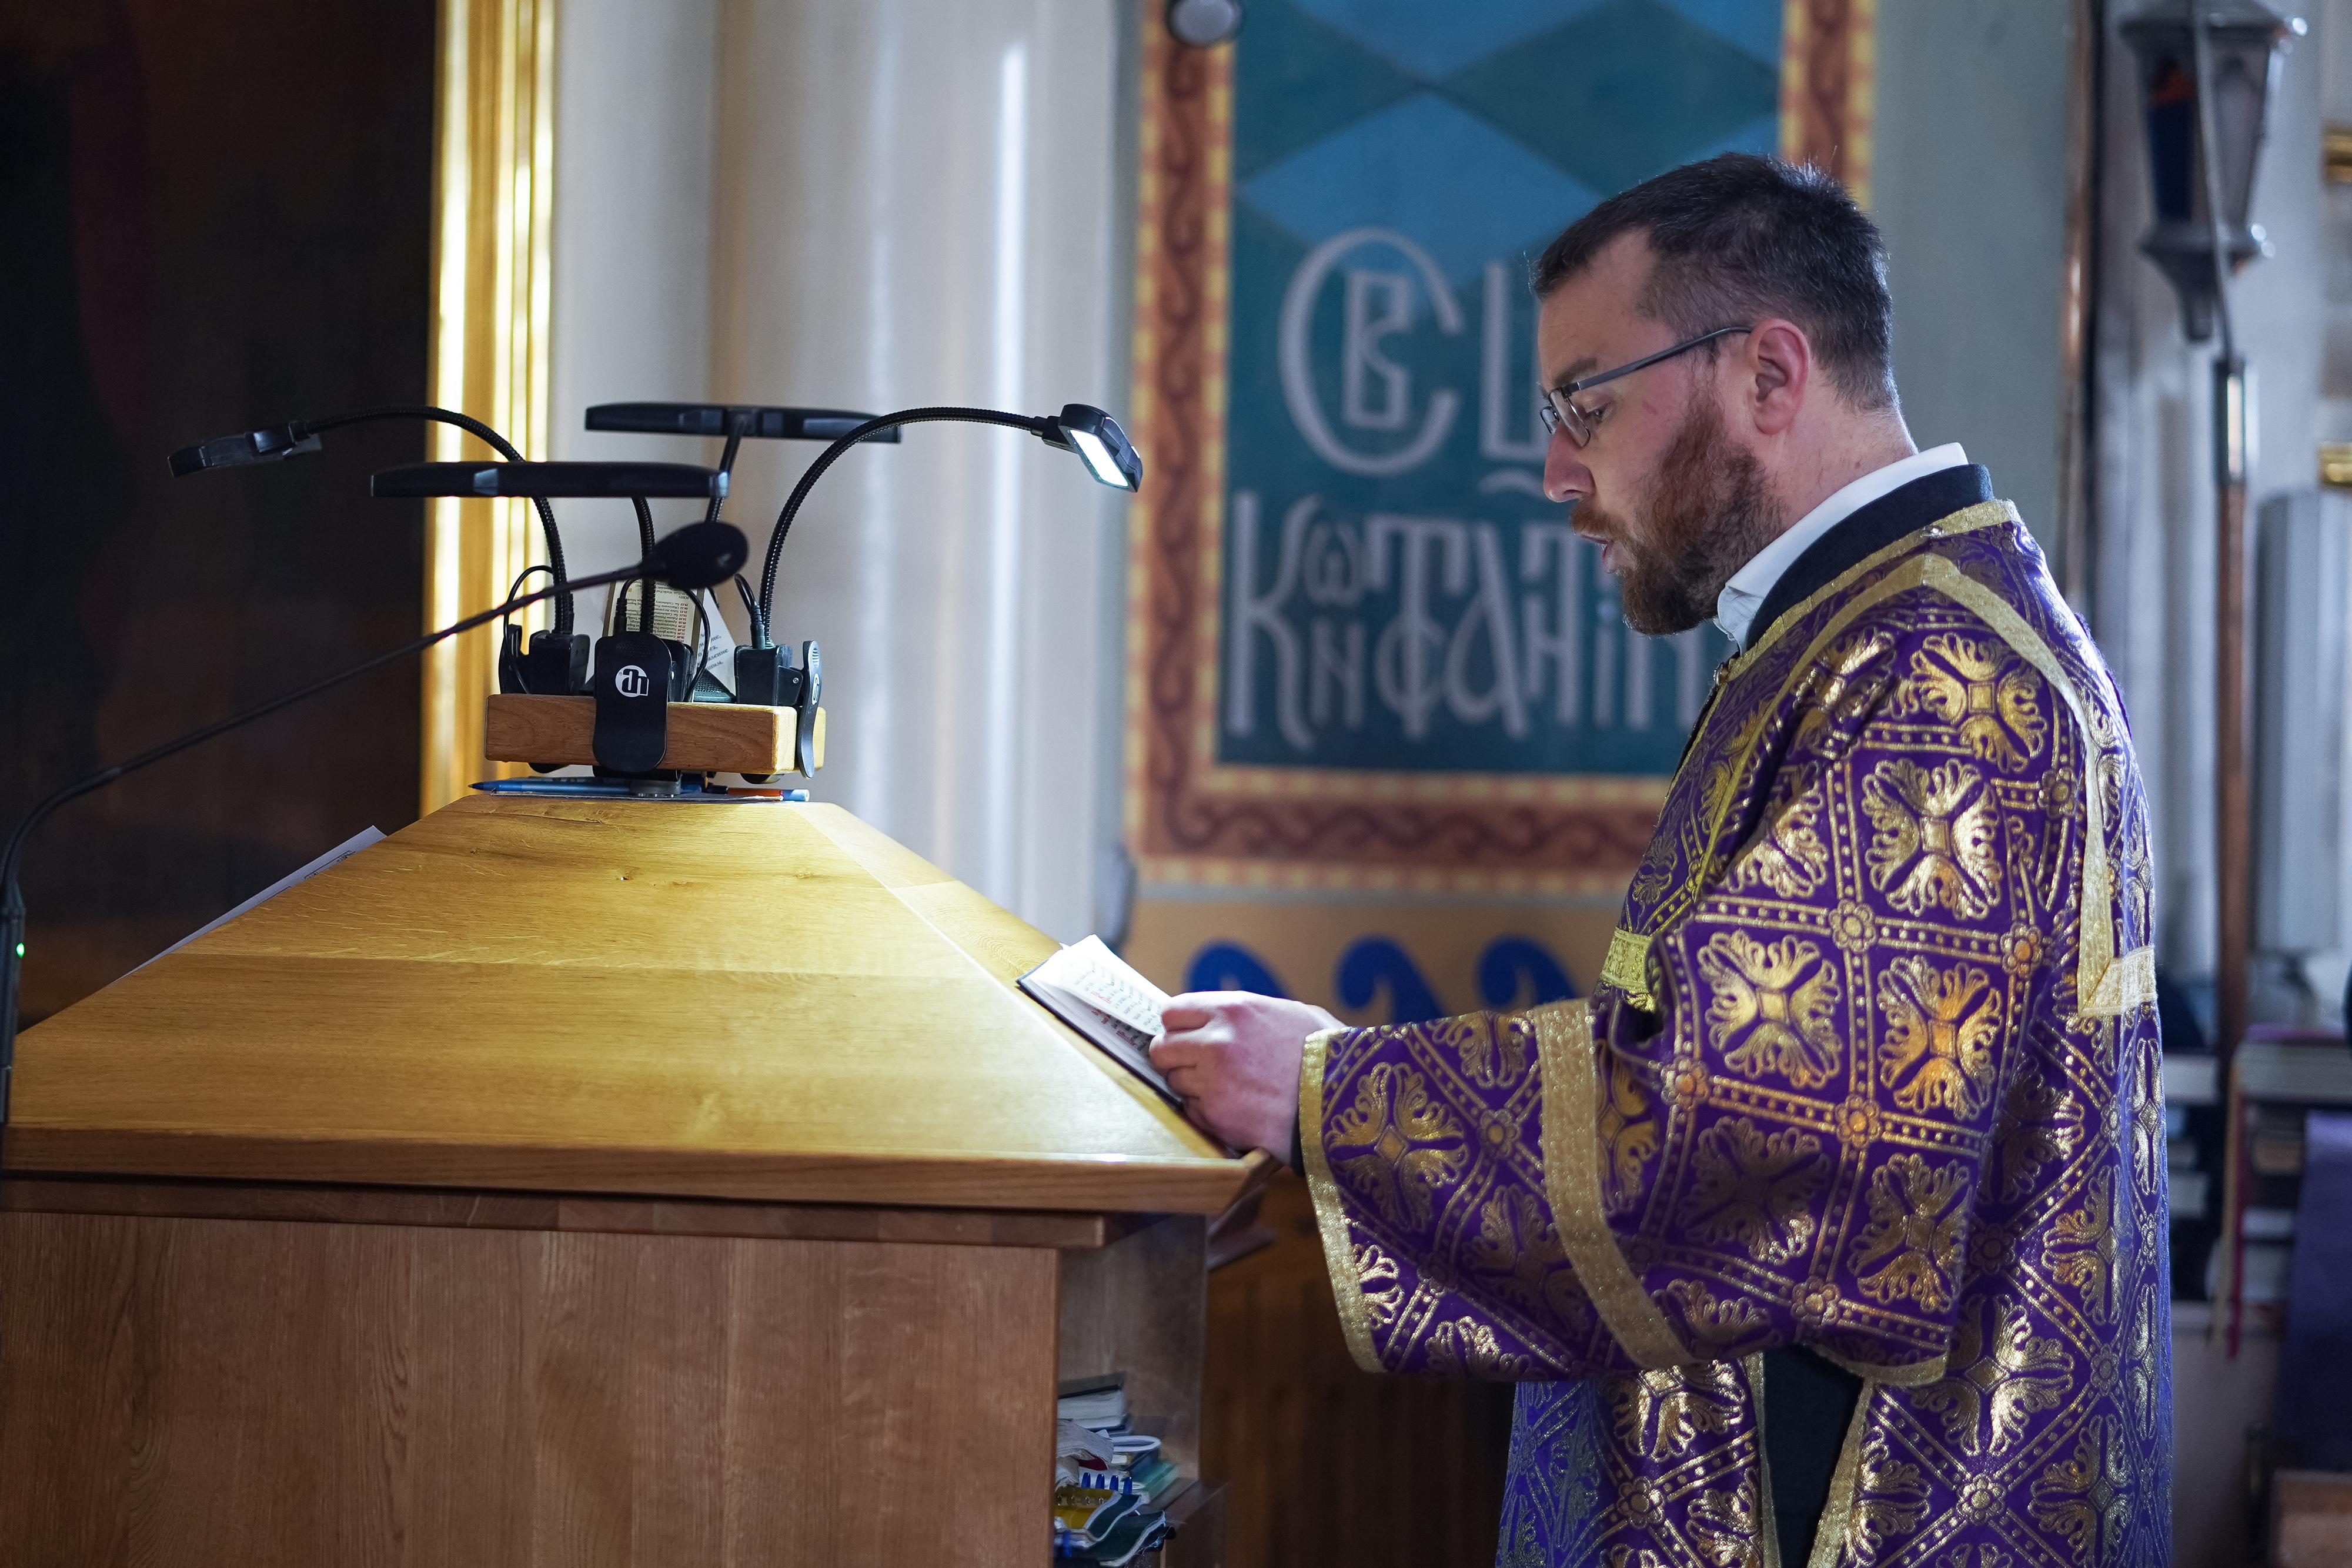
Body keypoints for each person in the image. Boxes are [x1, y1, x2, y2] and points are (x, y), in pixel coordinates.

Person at [1151, 154, 2169, 1568]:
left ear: (1766, 373)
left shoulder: (1934, 673)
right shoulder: (1866, 631)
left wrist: (1333, 1094)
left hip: (1860, 1511)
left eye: (1586, 401)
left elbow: (1765, 1120)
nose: (1558, 467)